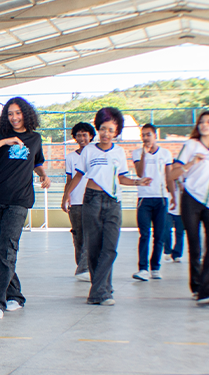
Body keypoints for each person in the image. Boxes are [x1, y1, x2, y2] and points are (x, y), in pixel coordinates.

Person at [0, 96, 51, 319]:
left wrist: (43, 175)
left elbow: (36, 162)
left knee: (7, 249)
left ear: (26, 114)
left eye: (18, 113)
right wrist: (5, 142)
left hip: (19, 200)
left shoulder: (35, 138)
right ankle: (15, 295)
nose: (14, 117)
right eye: (10, 114)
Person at [63, 107, 149, 306]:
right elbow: (78, 175)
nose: (106, 133)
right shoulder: (89, 150)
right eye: (103, 129)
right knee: (94, 248)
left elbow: (122, 178)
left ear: (116, 132)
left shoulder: (119, 152)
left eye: (111, 130)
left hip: (113, 202)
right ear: (98, 129)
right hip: (92, 200)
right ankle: (103, 290)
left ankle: (98, 291)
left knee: (110, 247)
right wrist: (66, 195)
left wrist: (137, 182)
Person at [168, 111, 209, 306]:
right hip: (191, 199)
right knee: (194, 246)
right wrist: (191, 163)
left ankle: (207, 289)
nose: (204, 125)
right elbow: (172, 174)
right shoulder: (191, 145)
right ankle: (197, 287)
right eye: (202, 122)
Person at [131, 123, 172, 282]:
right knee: (144, 234)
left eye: (148, 134)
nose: (145, 138)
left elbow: (169, 176)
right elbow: (140, 173)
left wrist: (173, 196)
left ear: (155, 135)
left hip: (161, 198)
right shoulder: (137, 153)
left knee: (159, 234)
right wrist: (144, 154)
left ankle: (155, 267)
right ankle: (143, 268)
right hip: (144, 198)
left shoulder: (166, 153)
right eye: (143, 135)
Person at [62, 122, 94, 280]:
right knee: (78, 236)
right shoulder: (71, 157)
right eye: (78, 135)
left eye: (84, 135)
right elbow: (69, 180)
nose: (82, 138)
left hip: (93, 200)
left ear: (91, 136)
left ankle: (85, 268)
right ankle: (82, 267)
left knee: (91, 235)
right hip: (75, 202)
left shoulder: (96, 154)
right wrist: (65, 197)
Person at [165, 171, 185, 263]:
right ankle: (168, 250)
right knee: (166, 230)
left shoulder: (183, 178)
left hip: (180, 209)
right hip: (168, 209)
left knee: (179, 233)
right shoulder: (167, 177)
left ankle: (177, 254)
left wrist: (179, 182)